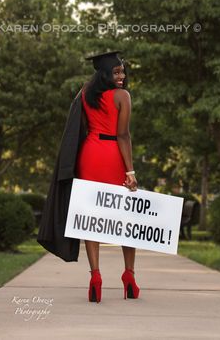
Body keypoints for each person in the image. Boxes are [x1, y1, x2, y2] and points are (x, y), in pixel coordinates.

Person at [76, 51, 139, 303]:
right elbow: (123, 135)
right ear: (104, 73)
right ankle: (129, 276)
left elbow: (79, 126)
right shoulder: (122, 96)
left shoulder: (84, 94)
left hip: (89, 155)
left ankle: (95, 277)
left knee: (91, 218)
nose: (122, 76)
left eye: (123, 71)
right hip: (113, 155)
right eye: (116, 72)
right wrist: (130, 171)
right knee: (126, 217)